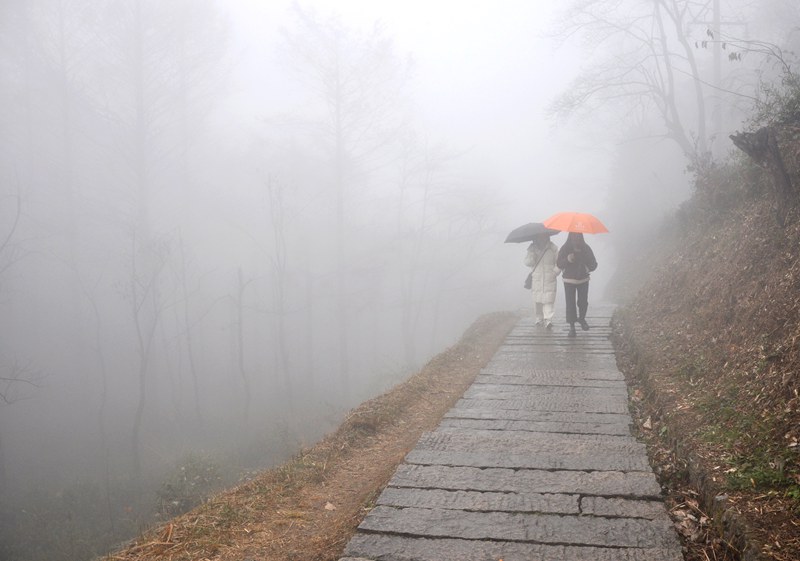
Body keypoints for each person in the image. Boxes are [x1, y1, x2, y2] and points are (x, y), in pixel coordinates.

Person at [556, 232, 598, 337]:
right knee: (570, 304)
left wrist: (587, 267)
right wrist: (567, 259)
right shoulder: (565, 248)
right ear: (570, 236)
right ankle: (572, 327)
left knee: (583, 302)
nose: (576, 238)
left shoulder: (586, 248)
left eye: (578, 235)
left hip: (583, 279)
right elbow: (559, 264)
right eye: (573, 235)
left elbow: (594, 264)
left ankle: (582, 319)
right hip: (568, 280)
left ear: (581, 236)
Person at [524, 233, 561, 329]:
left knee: (549, 300)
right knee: (538, 301)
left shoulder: (553, 248)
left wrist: (555, 272)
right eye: (539, 236)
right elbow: (527, 262)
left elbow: (559, 263)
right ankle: (539, 319)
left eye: (543, 235)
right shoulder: (532, 249)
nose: (541, 237)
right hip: (537, 278)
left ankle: (548, 319)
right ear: (536, 237)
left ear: (547, 236)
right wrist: (532, 256)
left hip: (550, 278)